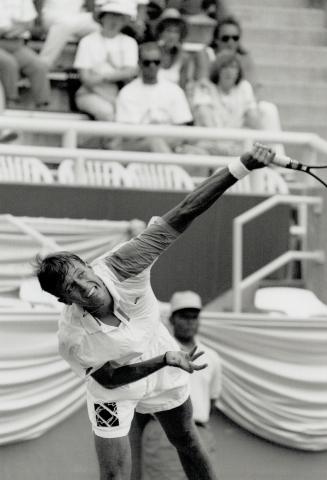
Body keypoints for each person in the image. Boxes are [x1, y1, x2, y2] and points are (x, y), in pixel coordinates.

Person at [34, 142, 276, 480]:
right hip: (118, 385)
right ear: (63, 300)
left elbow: (185, 211)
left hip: (163, 359)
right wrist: (162, 360)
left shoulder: (124, 264)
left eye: (82, 274)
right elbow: (110, 379)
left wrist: (241, 167)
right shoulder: (73, 339)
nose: (84, 286)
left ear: (89, 265)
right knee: (114, 476)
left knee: (187, 441)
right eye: (71, 288)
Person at [139, 291, 222, 480]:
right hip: (163, 433)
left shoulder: (211, 357)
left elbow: (212, 400)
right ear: (172, 319)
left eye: (194, 317)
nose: (189, 322)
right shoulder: (158, 353)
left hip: (200, 432)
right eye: (184, 316)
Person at [194, 15, 285, 156]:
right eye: (225, 38)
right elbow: (203, 83)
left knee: (268, 110)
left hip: (239, 111)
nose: (230, 42)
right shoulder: (205, 54)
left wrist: (247, 108)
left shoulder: (244, 58)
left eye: (235, 38)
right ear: (216, 39)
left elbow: (252, 88)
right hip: (213, 109)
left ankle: (277, 159)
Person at [115, 41, 193, 153]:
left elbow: (183, 127)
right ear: (139, 63)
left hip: (172, 143)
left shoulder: (174, 90)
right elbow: (129, 136)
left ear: (161, 63)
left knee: (200, 152)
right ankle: (170, 167)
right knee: (155, 142)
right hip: (138, 147)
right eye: (147, 62)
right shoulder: (127, 92)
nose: (152, 66)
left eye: (156, 62)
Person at [73, 0, 139, 121]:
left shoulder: (130, 42)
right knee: (107, 112)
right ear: (102, 18)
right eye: (111, 15)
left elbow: (130, 72)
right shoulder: (87, 41)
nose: (114, 20)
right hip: (90, 93)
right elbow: (86, 79)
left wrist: (102, 77)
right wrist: (117, 74)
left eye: (119, 16)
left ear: (124, 21)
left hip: (120, 94)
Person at [191, 50, 261, 156]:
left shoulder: (244, 87)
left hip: (236, 143)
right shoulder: (204, 87)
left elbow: (253, 120)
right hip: (210, 143)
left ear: (238, 72)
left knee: (267, 110)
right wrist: (223, 145)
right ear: (217, 70)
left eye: (233, 67)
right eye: (224, 67)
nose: (229, 71)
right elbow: (207, 123)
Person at [0, 0, 51, 108]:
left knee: (38, 65)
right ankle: (11, 103)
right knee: (9, 63)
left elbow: (29, 24)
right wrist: (13, 27)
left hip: (17, 43)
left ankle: (43, 106)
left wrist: (9, 30)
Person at [39, 0, 99, 69]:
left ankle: (101, 69)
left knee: (102, 26)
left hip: (76, 18)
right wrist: (37, 23)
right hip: (50, 16)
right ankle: (42, 65)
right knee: (65, 23)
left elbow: (90, 6)